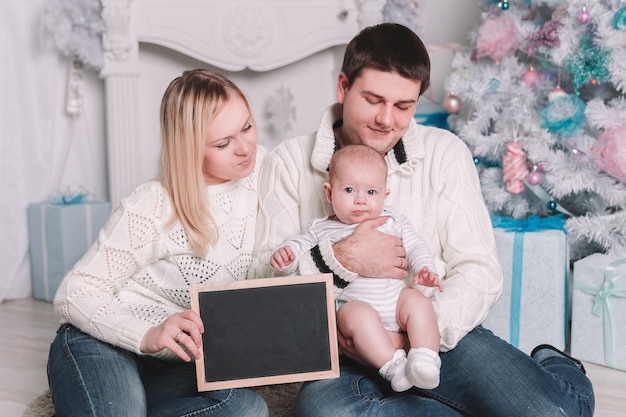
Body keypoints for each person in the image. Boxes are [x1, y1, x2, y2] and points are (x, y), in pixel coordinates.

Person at [251, 23, 595, 417]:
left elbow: (479, 270)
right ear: (343, 87)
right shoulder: (289, 162)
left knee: (555, 413)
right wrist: (342, 258)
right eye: (373, 99)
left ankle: (558, 367)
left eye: (403, 106)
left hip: (435, 334)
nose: (386, 119)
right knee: (330, 412)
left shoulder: (445, 153)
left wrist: (414, 338)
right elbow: (265, 287)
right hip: (343, 349)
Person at [47, 69, 269, 417]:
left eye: (247, 127)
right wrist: (146, 334)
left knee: (244, 408)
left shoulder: (267, 173)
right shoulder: (152, 203)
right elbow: (74, 293)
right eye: (223, 143)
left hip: (178, 362)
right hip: (103, 342)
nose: (245, 148)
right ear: (190, 148)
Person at [270, 144, 443, 391]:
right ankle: (395, 368)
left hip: (396, 302)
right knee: (354, 315)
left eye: (371, 191)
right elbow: (298, 249)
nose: (361, 199)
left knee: (418, 302)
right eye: (349, 190)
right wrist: (286, 256)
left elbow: (416, 245)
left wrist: (425, 268)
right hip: (356, 306)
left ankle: (425, 358)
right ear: (329, 193)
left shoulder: (392, 220)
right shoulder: (321, 228)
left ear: (385, 195)